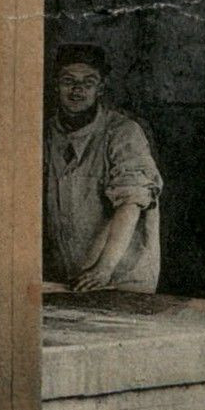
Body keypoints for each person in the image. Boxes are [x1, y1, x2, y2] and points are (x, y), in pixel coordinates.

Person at [44, 43, 163, 292]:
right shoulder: (46, 133)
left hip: (121, 277)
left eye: (88, 82)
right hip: (70, 277)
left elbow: (131, 202)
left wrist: (104, 268)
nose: (77, 90)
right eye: (68, 81)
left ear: (101, 88)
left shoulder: (123, 133)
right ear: (56, 84)